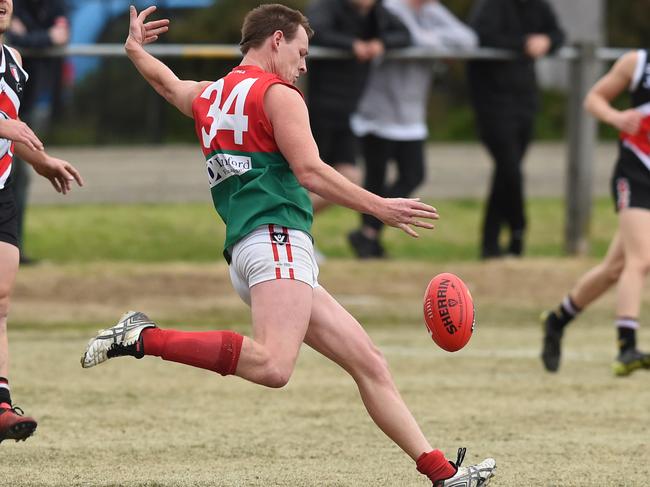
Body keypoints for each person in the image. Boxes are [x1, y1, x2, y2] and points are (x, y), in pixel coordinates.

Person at [80, 5, 496, 485]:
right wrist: (380, 207)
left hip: (254, 249)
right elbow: (311, 172)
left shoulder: (211, 94)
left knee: (369, 362)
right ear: (276, 40)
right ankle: (141, 337)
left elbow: (168, 84)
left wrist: (134, 50)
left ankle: (443, 474)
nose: (304, 64)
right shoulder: (280, 94)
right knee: (275, 367)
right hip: (275, 240)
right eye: (301, 51)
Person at [0, 0, 83, 443]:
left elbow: (13, 127)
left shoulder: (13, 59)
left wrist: (41, 160)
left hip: (0, 194)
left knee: (1, 299)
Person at [541, 49, 650, 377]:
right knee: (641, 260)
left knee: (614, 268)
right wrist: (616, 117)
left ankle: (557, 319)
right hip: (635, 172)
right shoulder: (638, 63)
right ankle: (626, 346)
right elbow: (593, 99)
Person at [349, 0, 477, 258]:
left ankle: (367, 233)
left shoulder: (430, 11)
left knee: (414, 174)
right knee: (375, 179)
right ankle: (368, 239)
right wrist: (437, 43)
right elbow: (405, 37)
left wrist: (430, 39)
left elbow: (468, 40)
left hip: (411, 114)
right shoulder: (390, 9)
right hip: (379, 111)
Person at [466, 0, 564, 259]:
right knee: (509, 168)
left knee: (506, 173)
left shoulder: (538, 6)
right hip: (493, 103)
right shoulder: (490, 7)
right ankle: (519, 227)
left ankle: (491, 242)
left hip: (525, 101)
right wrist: (523, 43)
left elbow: (558, 34)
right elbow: (480, 37)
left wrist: (547, 41)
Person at [305, 0, 410, 220]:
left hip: (348, 111)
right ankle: (284, 229)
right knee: (306, 177)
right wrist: (351, 45)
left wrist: (381, 43)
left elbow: (405, 34)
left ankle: (292, 223)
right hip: (316, 110)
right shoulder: (326, 8)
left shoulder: (378, 13)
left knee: (350, 176)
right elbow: (312, 32)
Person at [6, 0, 70, 265]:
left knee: (16, 179)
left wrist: (31, 37)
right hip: (16, 113)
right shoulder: (14, 5)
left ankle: (14, 247)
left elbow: (61, 36)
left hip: (25, 107)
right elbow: (18, 35)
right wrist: (45, 37)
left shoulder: (55, 5)